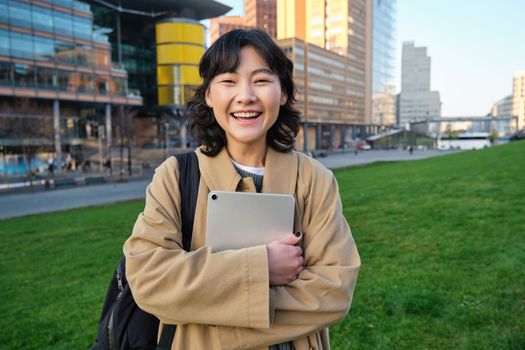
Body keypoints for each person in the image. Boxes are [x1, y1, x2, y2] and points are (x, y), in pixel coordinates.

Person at [123, 29, 360, 349]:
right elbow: (150, 280)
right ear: (208, 95)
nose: (246, 95)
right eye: (228, 81)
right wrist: (263, 266)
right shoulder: (175, 176)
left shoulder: (314, 180)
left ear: (284, 92)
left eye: (261, 80)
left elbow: (333, 291)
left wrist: (210, 318)